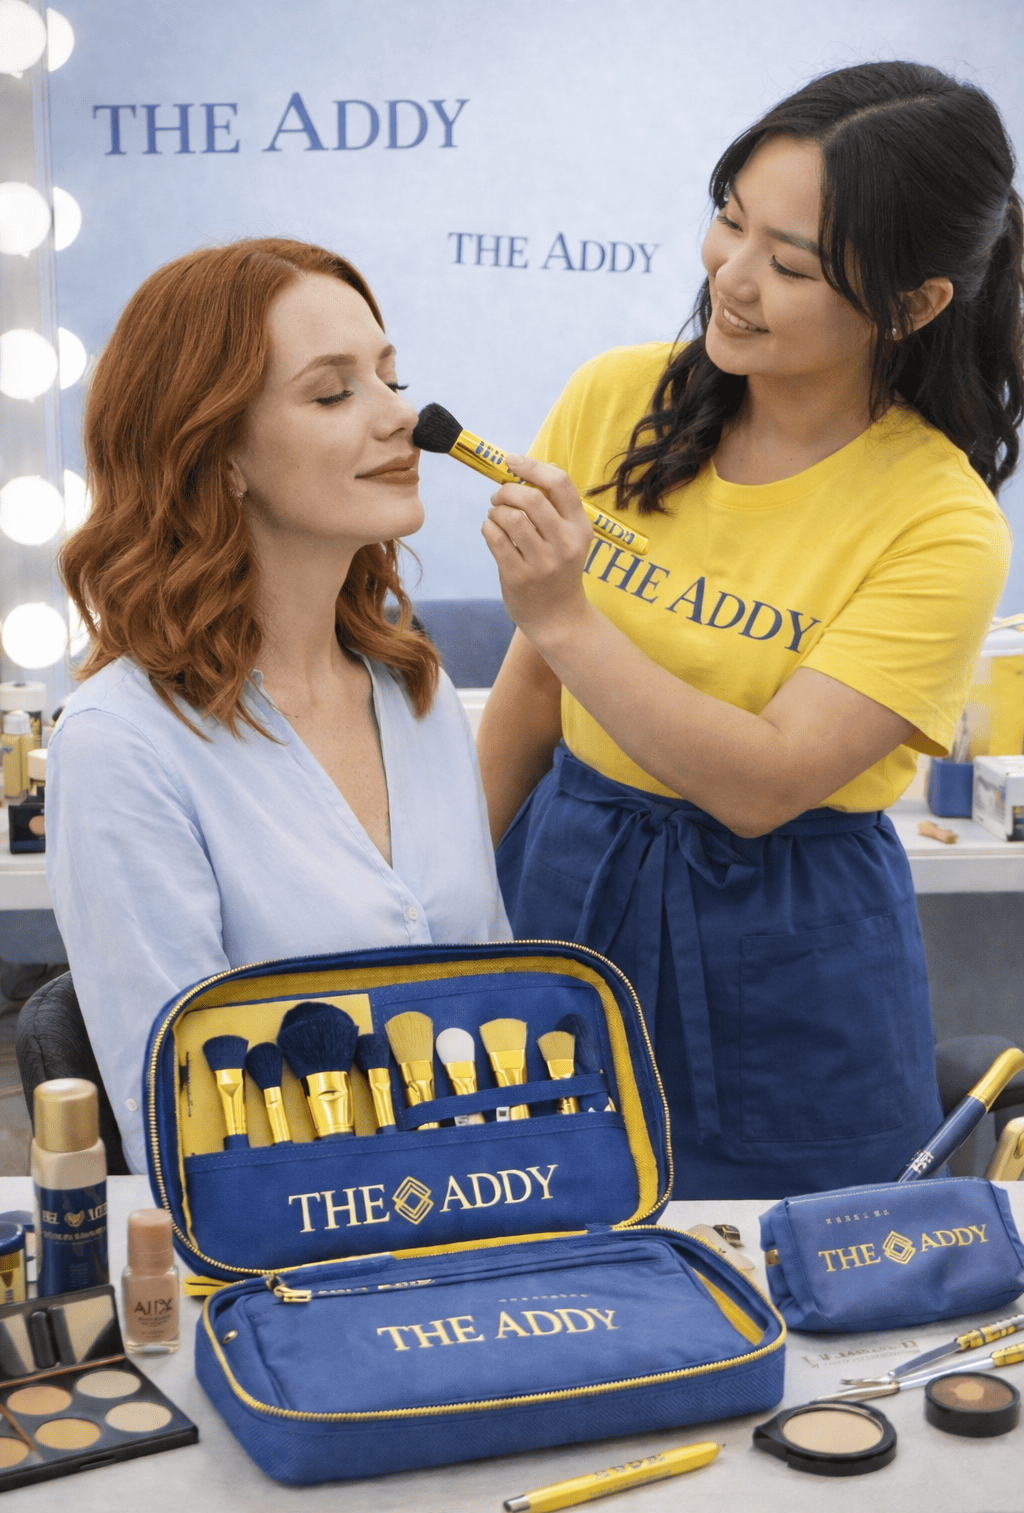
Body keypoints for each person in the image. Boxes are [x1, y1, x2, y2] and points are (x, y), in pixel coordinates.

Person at [476, 63, 1022, 1198]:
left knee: (804, 1282)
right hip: (566, 873)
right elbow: (530, 698)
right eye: (729, 223)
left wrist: (567, 618)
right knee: (523, 1220)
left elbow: (765, 783)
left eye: (790, 265)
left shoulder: (940, 521)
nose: (732, 278)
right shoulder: (616, 398)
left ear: (916, 304)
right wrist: (453, 908)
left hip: (789, 934)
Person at [48, 238, 509, 1173]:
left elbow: (498, 1011)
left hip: (488, 1223)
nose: (404, 418)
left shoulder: (414, 690)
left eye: (391, 377)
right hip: (293, 1261)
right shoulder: (122, 747)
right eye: (334, 393)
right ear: (217, 456)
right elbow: (187, 1127)